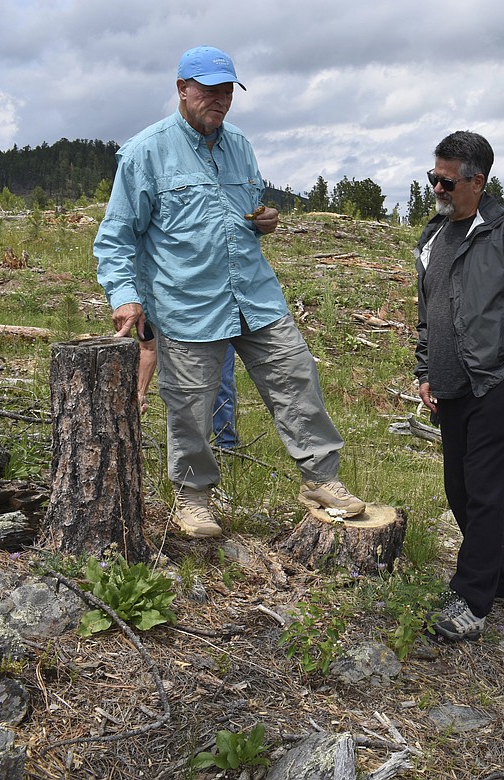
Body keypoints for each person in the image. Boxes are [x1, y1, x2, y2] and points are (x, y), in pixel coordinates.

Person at [96, 45, 365, 539]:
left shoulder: (239, 143)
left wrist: (266, 220)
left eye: (226, 91)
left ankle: (321, 480)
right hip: (186, 304)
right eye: (208, 90)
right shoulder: (145, 152)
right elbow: (116, 237)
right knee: (191, 406)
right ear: (182, 88)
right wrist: (125, 296)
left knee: (296, 377)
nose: (219, 100)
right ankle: (193, 500)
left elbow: (243, 211)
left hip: (254, 295)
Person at [414, 131, 504, 640]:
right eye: (433, 177)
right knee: (459, 488)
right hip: (449, 388)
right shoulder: (432, 238)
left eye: (447, 181)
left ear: (478, 181)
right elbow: (427, 313)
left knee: (485, 492)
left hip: (494, 383)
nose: (437, 188)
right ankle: (498, 577)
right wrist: (424, 370)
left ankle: (471, 602)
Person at [137, 330, 238, 450]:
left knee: (222, 383)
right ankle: (190, 449)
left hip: (219, 326)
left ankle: (227, 445)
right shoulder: (149, 315)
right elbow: (148, 347)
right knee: (184, 391)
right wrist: (140, 393)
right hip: (182, 333)